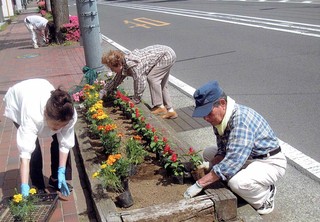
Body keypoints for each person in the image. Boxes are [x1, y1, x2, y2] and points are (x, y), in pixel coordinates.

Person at [184, 81, 287, 215]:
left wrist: (200, 184)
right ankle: (245, 181)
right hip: (248, 157)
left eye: (208, 113)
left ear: (222, 103)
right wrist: (209, 164)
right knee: (209, 152)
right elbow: (222, 151)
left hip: (268, 162)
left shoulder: (241, 121)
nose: (206, 118)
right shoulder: (221, 119)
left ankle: (266, 195)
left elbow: (232, 160)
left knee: (237, 183)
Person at [3, 78, 77, 197]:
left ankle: (55, 180)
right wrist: (24, 186)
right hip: (18, 100)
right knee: (34, 149)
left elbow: (65, 143)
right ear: (46, 115)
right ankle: (38, 186)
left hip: (40, 87)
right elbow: (25, 154)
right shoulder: (31, 116)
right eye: (56, 125)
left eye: (61, 126)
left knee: (59, 141)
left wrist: (61, 171)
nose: (58, 129)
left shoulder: (69, 114)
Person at [100, 44, 178, 119]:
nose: (112, 71)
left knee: (153, 78)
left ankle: (160, 106)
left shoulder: (133, 66)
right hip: (166, 53)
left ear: (119, 64)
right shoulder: (123, 64)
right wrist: (104, 90)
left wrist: (135, 99)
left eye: (112, 68)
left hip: (166, 56)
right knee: (162, 84)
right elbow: (116, 81)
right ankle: (171, 111)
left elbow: (140, 82)